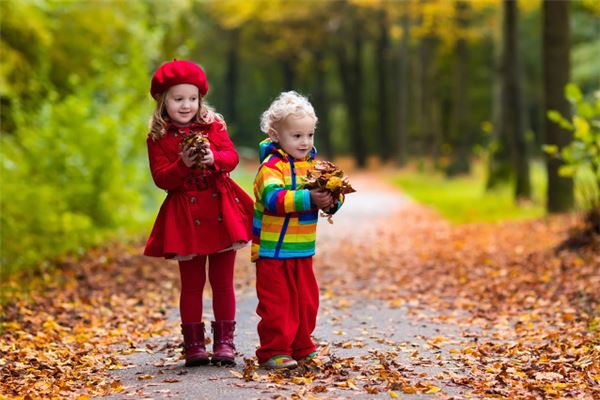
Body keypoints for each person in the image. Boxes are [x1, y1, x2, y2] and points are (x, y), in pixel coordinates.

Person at [144, 59, 253, 367]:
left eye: (192, 99)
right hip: (185, 215)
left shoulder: (213, 126)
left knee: (222, 281)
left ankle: (224, 343)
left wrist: (212, 157)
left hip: (220, 209)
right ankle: (193, 345)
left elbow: (231, 157)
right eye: (178, 99)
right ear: (163, 100)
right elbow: (161, 178)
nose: (186, 105)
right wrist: (184, 164)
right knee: (191, 284)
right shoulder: (158, 137)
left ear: (200, 99)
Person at [252, 91, 344, 369]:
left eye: (309, 135)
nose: (305, 142)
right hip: (273, 251)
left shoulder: (315, 168)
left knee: (306, 302)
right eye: (297, 136)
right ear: (276, 135)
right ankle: (274, 350)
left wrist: (331, 201)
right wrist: (308, 198)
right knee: (278, 305)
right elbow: (273, 199)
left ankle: (302, 346)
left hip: (302, 250)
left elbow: (329, 197)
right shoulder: (270, 169)